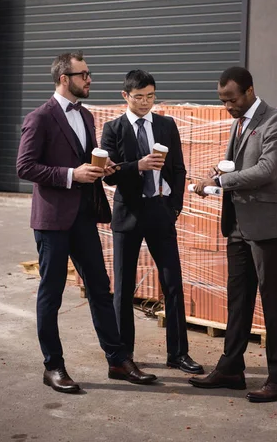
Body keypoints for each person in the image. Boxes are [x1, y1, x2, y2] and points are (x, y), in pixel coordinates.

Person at [16, 52, 157, 394]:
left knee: (99, 287)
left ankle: (117, 360)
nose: (90, 79)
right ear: (64, 78)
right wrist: (70, 175)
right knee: (51, 294)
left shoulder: (87, 115)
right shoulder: (40, 118)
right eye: (84, 75)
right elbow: (25, 167)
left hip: (84, 216)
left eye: (89, 74)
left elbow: (87, 160)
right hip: (52, 220)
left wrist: (101, 169)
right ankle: (53, 366)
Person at [189, 66, 277, 403]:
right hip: (237, 223)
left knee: (272, 298)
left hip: (267, 225)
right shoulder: (240, 122)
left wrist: (219, 183)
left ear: (249, 91)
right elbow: (234, 166)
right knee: (239, 298)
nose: (228, 107)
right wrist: (212, 177)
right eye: (222, 101)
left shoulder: (276, 121)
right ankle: (231, 368)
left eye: (232, 100)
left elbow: (267, 170)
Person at [101, 70, 204, 375]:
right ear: (125, 96)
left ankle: (178, 353)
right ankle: (123, 355)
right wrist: (138, 166)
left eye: (150, 96)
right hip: (128, 214)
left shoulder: (166, 125)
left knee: (173, 284)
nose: (145, 103)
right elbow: (109, 175)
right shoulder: (113, 129)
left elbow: (179, 169)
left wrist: (174, 207)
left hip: (160, 212)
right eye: (139, 97)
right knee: (123, 288)